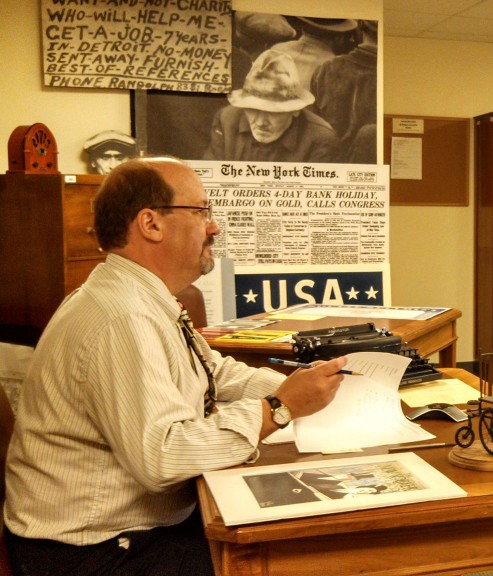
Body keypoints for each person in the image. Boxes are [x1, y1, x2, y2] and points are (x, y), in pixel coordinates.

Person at [2, 158, 348, 575]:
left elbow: (211, 372)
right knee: (303, 558)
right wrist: (278, 408)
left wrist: (303, 387)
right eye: (201, 211)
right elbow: (162, 456)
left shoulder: (138, 296)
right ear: (151, 224)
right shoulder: (122, 316)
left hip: (127, 530)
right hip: (93, 552)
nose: (214, 226)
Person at [204, 50, 340, 163]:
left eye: (274, 112)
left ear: (295, 110)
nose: (261, 122)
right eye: (253, 109)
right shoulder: (227, 119)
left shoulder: (320, 140)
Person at [310, 20, 379, 164]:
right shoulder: (390, 77)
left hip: (326, 166)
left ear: (360, 28)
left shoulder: (326, 69)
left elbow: (312, 129)